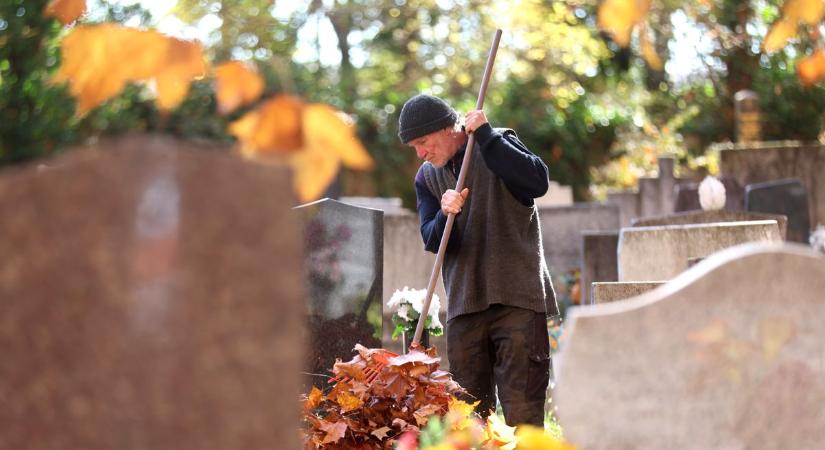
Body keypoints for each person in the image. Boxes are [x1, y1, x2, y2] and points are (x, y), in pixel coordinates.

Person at [397, 93, 558, 427]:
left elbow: (537, 181)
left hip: (518, 300)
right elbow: (432, 239)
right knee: (469, 422)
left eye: (423, 142)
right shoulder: (427, 178)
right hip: (465, 308)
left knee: (524, 417)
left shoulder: (498, 144)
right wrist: (445, 215)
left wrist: (486, 136)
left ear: (448, 128)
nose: (421, 153)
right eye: (414, 147)